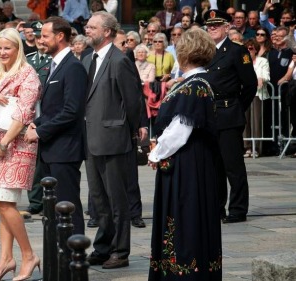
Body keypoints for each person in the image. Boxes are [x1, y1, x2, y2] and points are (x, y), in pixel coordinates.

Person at [147, 27, 222, 281]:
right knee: (183, 219)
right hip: (190, 162)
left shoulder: (196, 85)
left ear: (185, 52)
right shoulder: (193, 82)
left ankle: (185, 273)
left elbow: (182, 127)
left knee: (185, 218)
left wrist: (157, 152)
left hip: (189, 164)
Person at [0, 27, 42, 281]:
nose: (3, 52)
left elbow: (24, 114)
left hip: (14, 147)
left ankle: (28, 255)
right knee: (3, 204)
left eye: (8, 48)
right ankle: (6, 259)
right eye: (0, 48)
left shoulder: (28, 75)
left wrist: (4, 143)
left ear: (18, 49)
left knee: (4, 203)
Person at [81, 11, 142, 270]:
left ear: (107, 31)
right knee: (99, 200)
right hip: (91, 140)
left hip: (114, 139)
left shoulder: (120, 61)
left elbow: (133, 100)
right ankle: (103, 247)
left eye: (92, 27)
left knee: (117, 200)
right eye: (87, 26)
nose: (87, 29)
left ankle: (120, 250)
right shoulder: (86, 59)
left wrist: (134, 131)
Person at [24, 16, 87, 235]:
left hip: (65, 150)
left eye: (45, 36)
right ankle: (61, 256)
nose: (40, 40)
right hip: (52, 149)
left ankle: (74, 258)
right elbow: (53, 109)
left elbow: (71, 111)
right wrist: (35, 124)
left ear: (60, 36)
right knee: (55, 208)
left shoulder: (73, 67)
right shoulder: (56, 65)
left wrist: (40, 131)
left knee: (67, 205)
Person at [204, 10, 257, 223]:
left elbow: (250, 84)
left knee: (233, 166)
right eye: (209, 25)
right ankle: (217, 208)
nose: (212, 28)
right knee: (214, 166)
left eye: (216, 25)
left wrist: (236, 107)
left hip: (228, 114)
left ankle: (237, 209)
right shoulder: (204, 51)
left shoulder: (236, 51)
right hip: (209, 116)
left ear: (227, 27)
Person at [24, 23, 51, 216]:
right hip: (32, 114)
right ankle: (35, 201)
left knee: (47, 160)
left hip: (47, 113)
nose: (40, 41)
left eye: (43, 37)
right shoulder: (28, 60)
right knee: (32, 161)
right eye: (37, 37)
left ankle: (50, 199)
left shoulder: (54, 60)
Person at [243, 38, 270, 158]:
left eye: (251, 48)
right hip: (244, 94)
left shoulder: (262, 61)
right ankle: (247, 147)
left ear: (255, 49)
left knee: (256, 122)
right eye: (247, 49)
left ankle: (257, 148)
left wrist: (260, 78)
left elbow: (266, 75)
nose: (249, 51)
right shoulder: (243, 61)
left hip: (258, 94)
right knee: (245, 122)